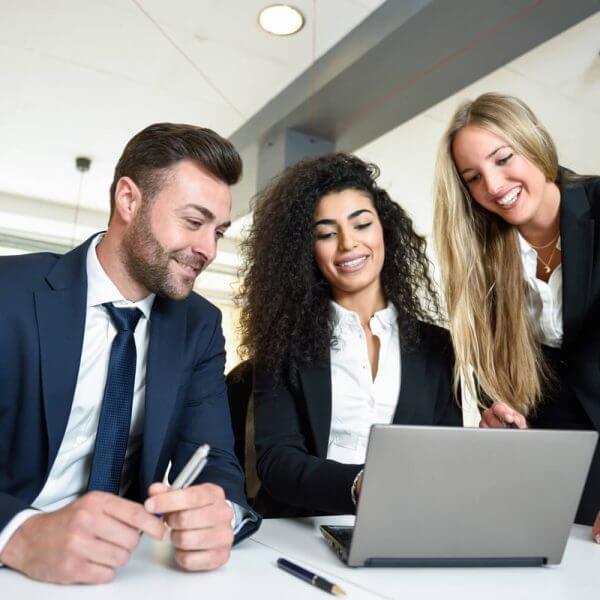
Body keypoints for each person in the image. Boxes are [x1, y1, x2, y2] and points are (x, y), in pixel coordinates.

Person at [0, 123, 260, 584]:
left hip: (128, 571)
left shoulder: (199, 325)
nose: (209, 249)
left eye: (218, 231)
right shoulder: (10, 292)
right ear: (128, 199)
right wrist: (19, 535)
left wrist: (216, 511)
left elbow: (214, 456)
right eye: (194, 222)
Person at [237, 153, 462, 518]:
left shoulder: (438, 347)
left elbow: (443, 456)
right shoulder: (284, 346)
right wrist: (356, 484)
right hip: (300, 531)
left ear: (384, 230)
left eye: (361, 224)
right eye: (326, 233)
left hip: (401, 527)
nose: (348, 244)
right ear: (306, 251)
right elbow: (277, 461)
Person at [433, 92, 600, 541]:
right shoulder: (483, 259)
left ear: (533, 140)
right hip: (550, 477)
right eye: (473, 177)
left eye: (503, 158)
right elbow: (504, 381)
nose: (493, 185)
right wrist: (498, 415)